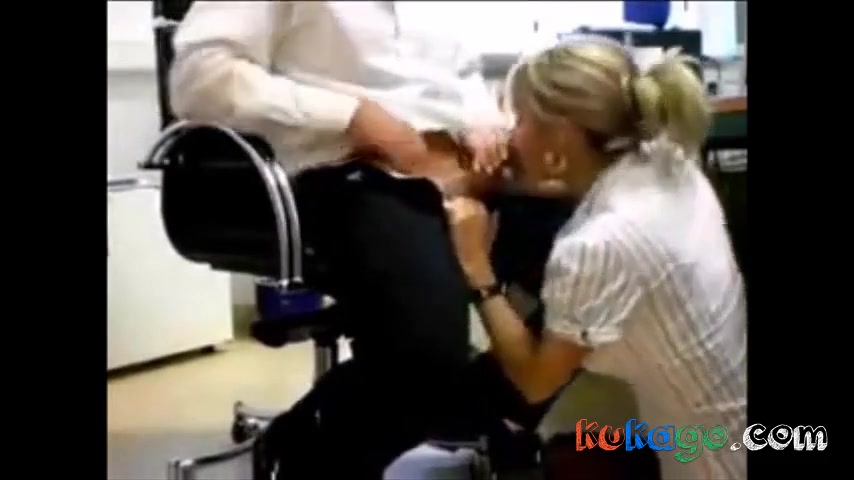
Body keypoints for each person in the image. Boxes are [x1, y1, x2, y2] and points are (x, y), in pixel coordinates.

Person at [168, 2, 540, 478]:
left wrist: (481, 117)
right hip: (343, 168)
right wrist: (351, 114)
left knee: (577, 256)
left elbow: (460, 74)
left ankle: (508, 423)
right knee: (426, 355)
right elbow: (199, 80)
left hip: (456, 166)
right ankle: (311, 455)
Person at [445, 37, 747, 480]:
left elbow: (536, 381)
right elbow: (576, 181)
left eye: (520, 119)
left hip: (706, 458)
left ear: (562, 134)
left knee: (570, 444)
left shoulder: (597, 246)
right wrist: (499, 183)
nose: (512, 133)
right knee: (574, 437)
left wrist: (475, 264)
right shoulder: (666, 158)